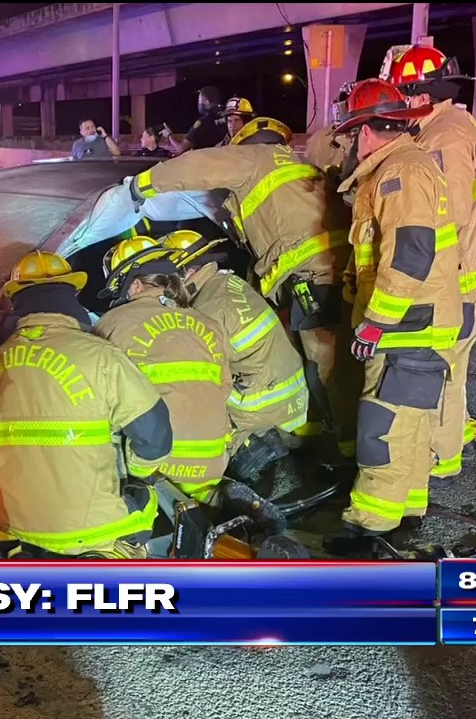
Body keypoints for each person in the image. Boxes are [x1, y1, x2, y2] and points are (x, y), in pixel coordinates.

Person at [127, 116, 360, 461]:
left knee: (330, 363)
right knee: (316, 352)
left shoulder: (255, 159)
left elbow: (199, 164)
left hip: (314, 273)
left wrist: (143, 184)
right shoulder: (300, 163)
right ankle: (315, 423)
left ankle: (351, 453)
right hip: (337, 267)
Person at [325, 78, 462, 555]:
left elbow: (409, 253)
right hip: (421, 317)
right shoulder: (408, 163)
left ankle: (369, 528)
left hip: (407, 321)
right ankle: (406, 509)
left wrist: (376, 320)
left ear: (365, 132)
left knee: (381, 423)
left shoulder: (397, 173)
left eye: (348, 135)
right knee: (409, 423)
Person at [0, 251, 173, 559]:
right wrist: (137, 476)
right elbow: (156, 437)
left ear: (17, 303)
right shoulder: (103, 358)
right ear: (71, 296)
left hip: (15, 525)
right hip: (93, 530)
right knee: (148, 500)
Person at [383, 44, 476, 480]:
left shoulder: (445, 138)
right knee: (451, 372)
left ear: (420, 96)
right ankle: (446, 456)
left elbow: (447, 216)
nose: (398, 106)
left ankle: (433, 458)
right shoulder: (453, 125)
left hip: (465, 281)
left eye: (402, 95)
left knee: (435, 370)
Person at [160, 230, 307, 480]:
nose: (169, 292)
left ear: (189, 273)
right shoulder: (228, 283)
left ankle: (250, 461)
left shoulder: (208, 309)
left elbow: (201, 376)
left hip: (265, 415)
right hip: (293, 402)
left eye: (170, 283)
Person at [94, 238, 232, 502]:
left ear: (134, 285)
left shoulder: (112, 323)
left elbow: (98, 400)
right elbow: (224, 389)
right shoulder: (206, 322)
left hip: (155, 466)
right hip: (213, 462)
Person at [162, 86, 225, 156]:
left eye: (199, 101)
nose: (199, 103)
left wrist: (169, 135)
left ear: (206, 101)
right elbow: (194, 136)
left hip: (205, 161)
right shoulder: (226, 118)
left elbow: (181, 148)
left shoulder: (203, 122)